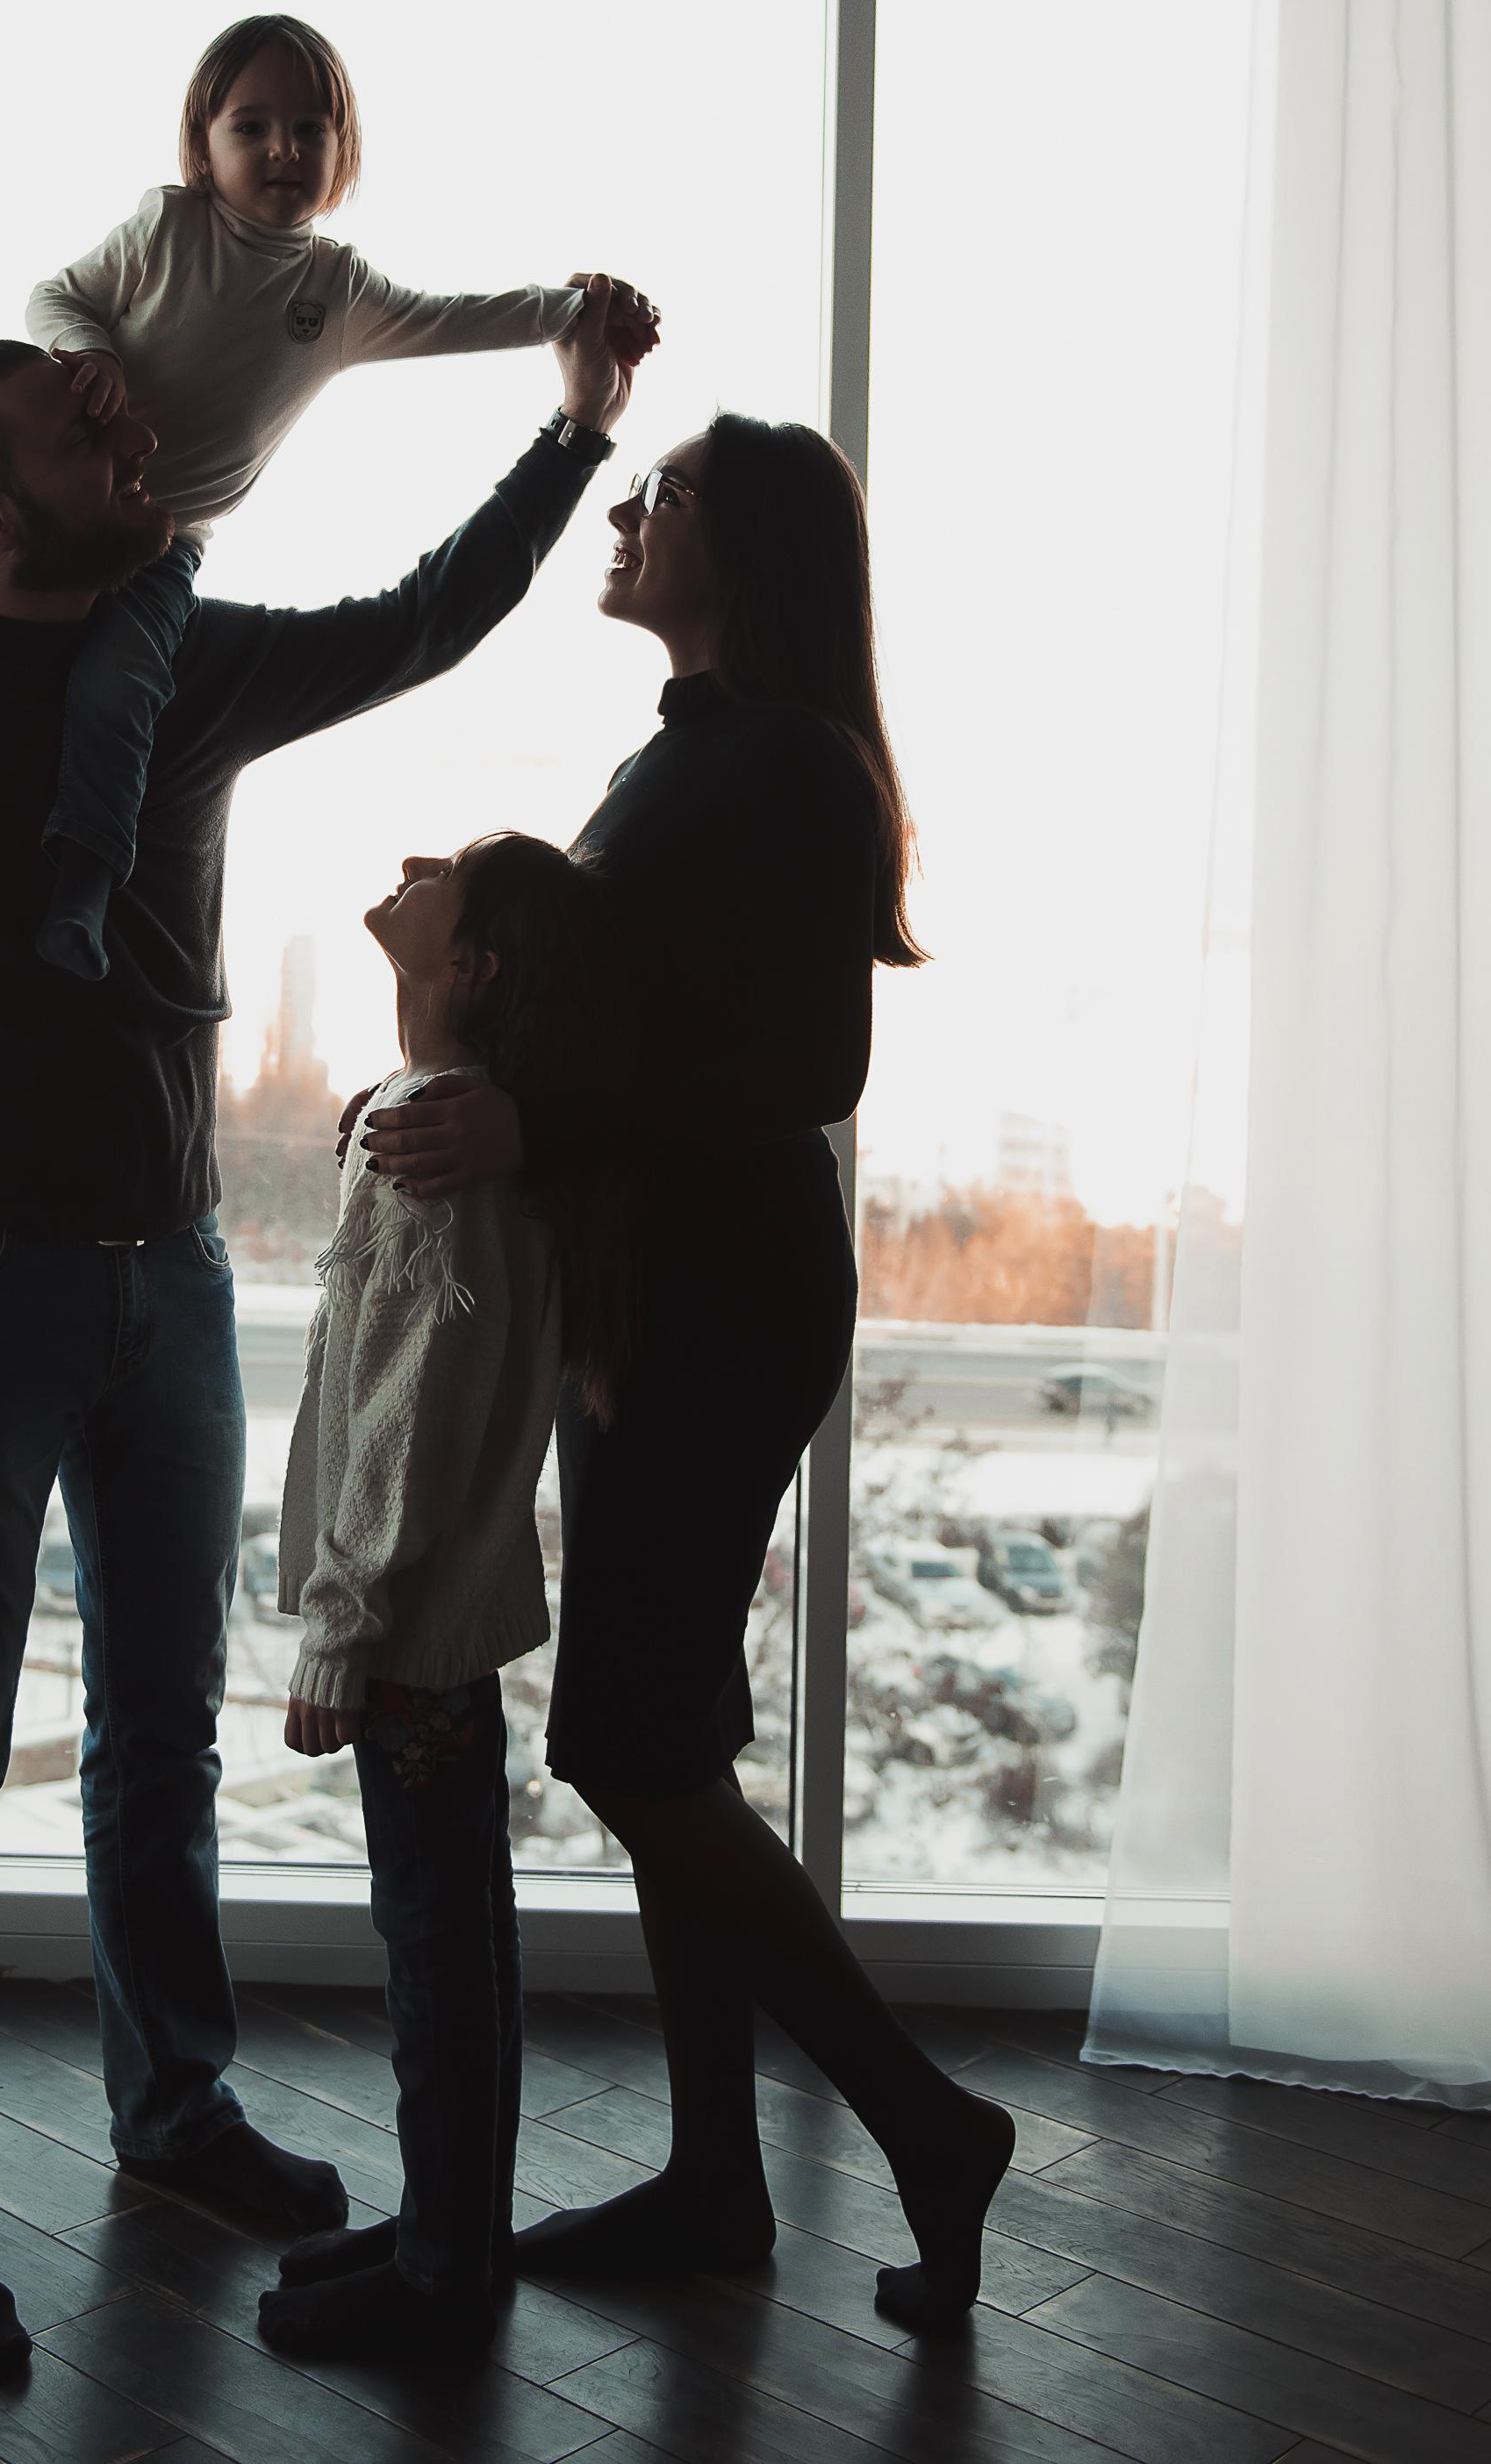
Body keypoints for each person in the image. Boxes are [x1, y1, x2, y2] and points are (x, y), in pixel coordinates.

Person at [0, 292, 635, 2382]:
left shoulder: (181, 662)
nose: (134, 442)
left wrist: (574, 429)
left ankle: (175, 2113)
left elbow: (427, 617)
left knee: (160, 1734)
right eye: (83, 436)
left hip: (166, 1277)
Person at [362, 416, 1018, 2333]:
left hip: (722, 1305)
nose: (627, 510)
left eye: (665, 492)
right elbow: (632, 1017)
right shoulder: (687, 755)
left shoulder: (789, 763)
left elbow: (812, 1067)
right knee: (666, 1735)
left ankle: (929, 2127)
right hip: (652, 1296)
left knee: (625, 1746)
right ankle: (717, 2180)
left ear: (754, 547)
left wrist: (530, 1118)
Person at [0, 12, 656, 981]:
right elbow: (55, 296)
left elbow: (458, 339)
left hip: (166, 552)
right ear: (202, 146)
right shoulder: (168, 230)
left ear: (344, 148)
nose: (284, 148)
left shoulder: (338, 293)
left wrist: (579, 322)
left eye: (311, 128)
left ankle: (84, 885)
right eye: (252, 126)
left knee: (119, 695)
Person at [256, 832, 622, 2367]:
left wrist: (341, 1627)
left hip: (408, 1624)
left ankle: (440, 2276)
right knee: (459, 1926)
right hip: (440, 1612)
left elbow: (405, 1411)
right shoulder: (441, 1121)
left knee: (431, 1944)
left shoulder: (433, 1141)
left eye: (450, 870)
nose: (414, 863)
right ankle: (446, 2235)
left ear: (469, 966)